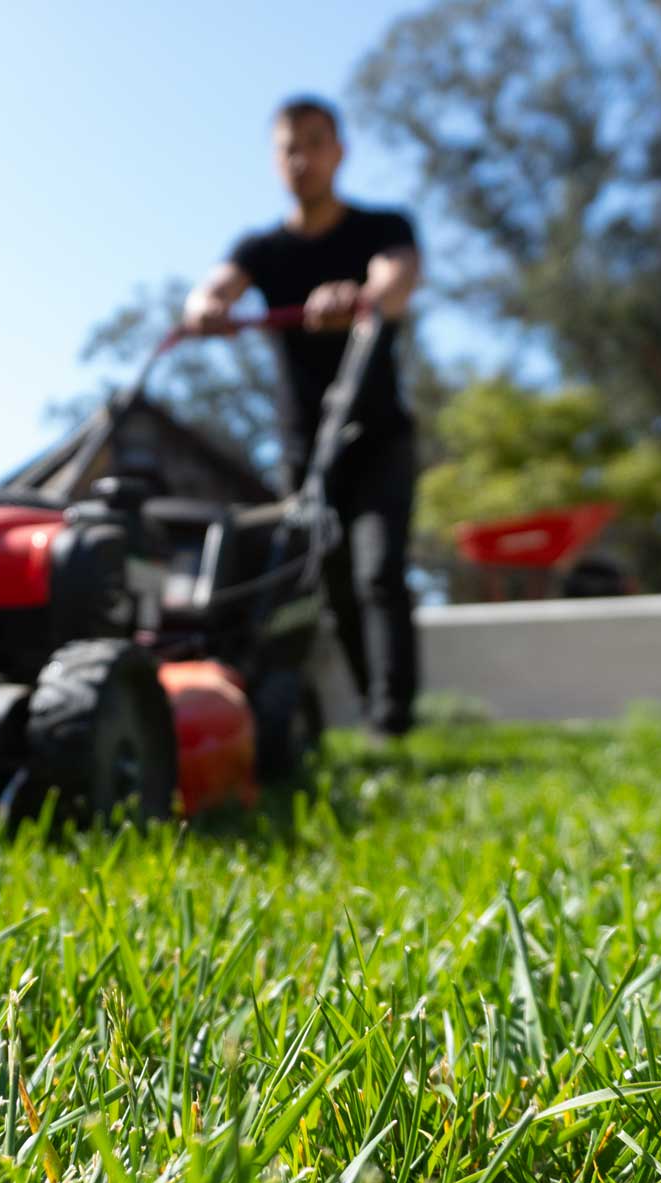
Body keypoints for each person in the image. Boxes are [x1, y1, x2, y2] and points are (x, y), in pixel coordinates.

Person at [184, 95, 422, 737]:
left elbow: (396, 281)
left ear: (338, 152)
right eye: (290, 148)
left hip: (377, 435)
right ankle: (371, 706)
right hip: (303, 447)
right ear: (275, 160)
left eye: (316, 144)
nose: (302, 159)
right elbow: (213, 288)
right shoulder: (262, 249)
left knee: (379, 570)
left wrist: (361, 296)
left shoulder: (381, 227)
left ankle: (394, 719)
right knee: (332, 579)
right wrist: (206, 308)